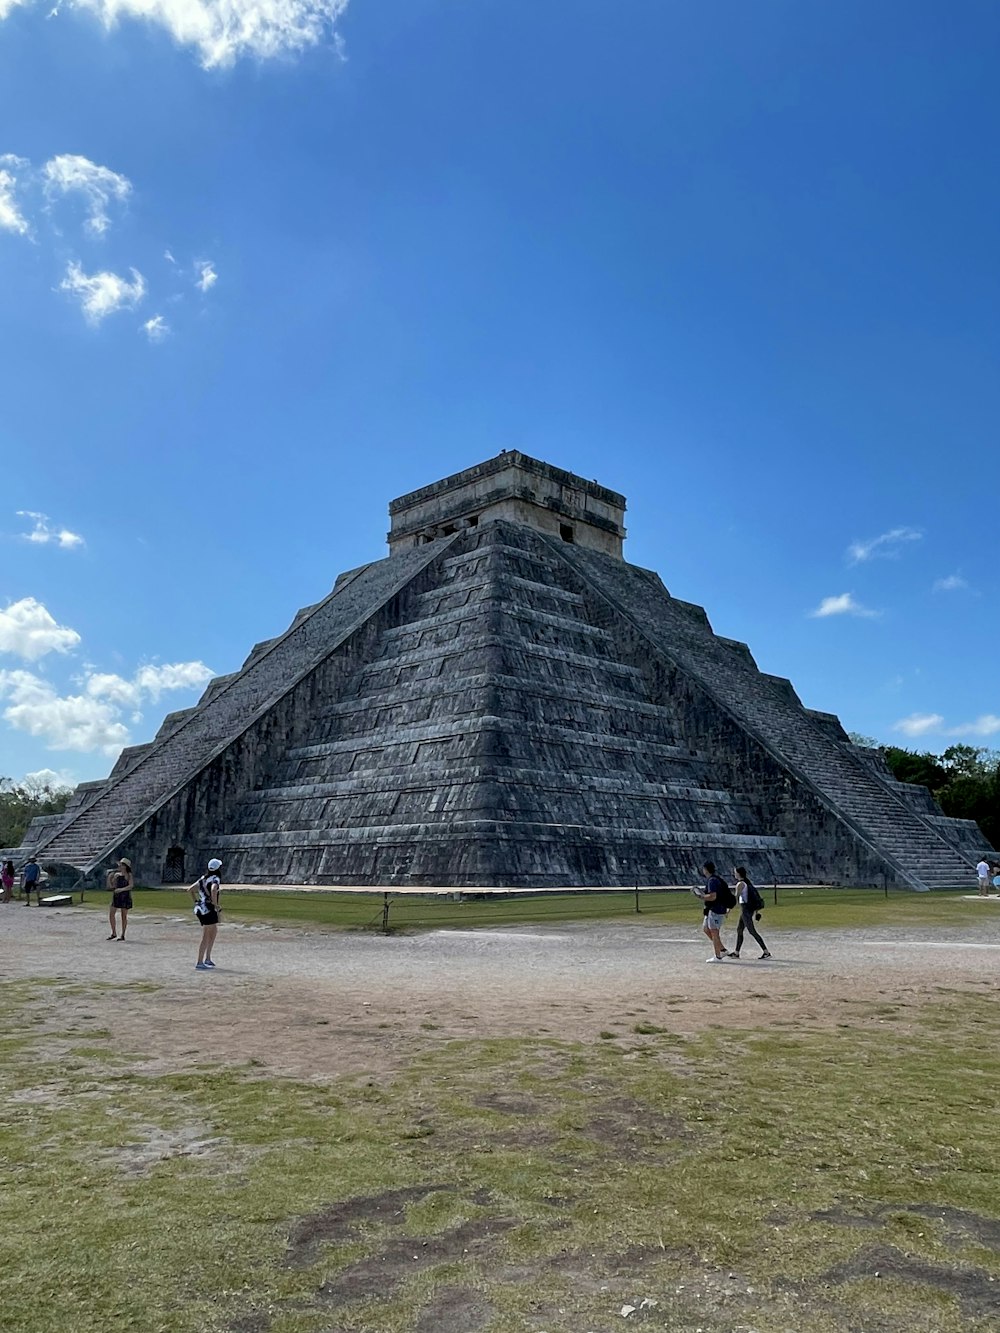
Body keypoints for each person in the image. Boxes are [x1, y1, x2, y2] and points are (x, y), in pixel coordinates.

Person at [693, 861, 734, 962]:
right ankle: (722, 949)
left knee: (714, 932)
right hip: (712, 909)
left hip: (716, 909)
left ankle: (718, 956)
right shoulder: (715, 879)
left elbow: (712, 896)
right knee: (706, 929)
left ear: (706, 869)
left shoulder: (712, 881)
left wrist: (701, 896)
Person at [730, 866, 771, 960]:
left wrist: (728, 908)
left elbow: (735, 898)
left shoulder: (740, 884)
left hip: (746, 910)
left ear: (739, 873)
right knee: (739, 930)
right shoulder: (747, 882)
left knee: (752, 931)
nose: (734, 874)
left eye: (735, 872)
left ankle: (766, 952)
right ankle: (736, 952)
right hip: (747, 909)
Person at [190, 857, 223, 970]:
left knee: (213, 931)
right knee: (206, 935)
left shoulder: (203, 879)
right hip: (209, 908)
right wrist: (215, 904)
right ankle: (200, 961)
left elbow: (190, 889)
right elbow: (214, 889)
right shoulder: (215, 879)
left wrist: (196, 901)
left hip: (201, 908)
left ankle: (208, 958)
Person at [107, 858, 134, 940]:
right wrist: (110, 879)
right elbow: (112, 886)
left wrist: (121, 889)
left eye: (122, 865)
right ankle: (113, 932)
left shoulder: (128, 875)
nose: (120, 866)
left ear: (125, 866)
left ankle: (123, 934)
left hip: (125, 895)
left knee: (123, 915)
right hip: (117, 896)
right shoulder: (117, 875)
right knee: (111, 913)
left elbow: (131, 885)